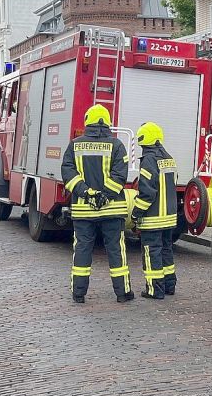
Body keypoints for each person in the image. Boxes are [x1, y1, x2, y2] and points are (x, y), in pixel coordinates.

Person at [61, 104, 133, 304]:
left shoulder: (74, 145)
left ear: (87, 121)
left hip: (84, 210)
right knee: (116, 251)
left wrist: (86, 193)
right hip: (112, 210)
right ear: (108, 123)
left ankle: (78, 293)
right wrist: (105, 195)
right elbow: (120, 175)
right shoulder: (117, 145)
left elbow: (68, 173)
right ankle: (122, 293)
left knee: (82, 249)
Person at [131, 122, 178, 299]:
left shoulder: (148, 161)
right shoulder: (169, 158)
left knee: (152, 253)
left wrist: (136, 213)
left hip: (153, 218)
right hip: (169, 218)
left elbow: (147, 193)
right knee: (166, 250)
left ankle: (154, 289)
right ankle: (169, 285)